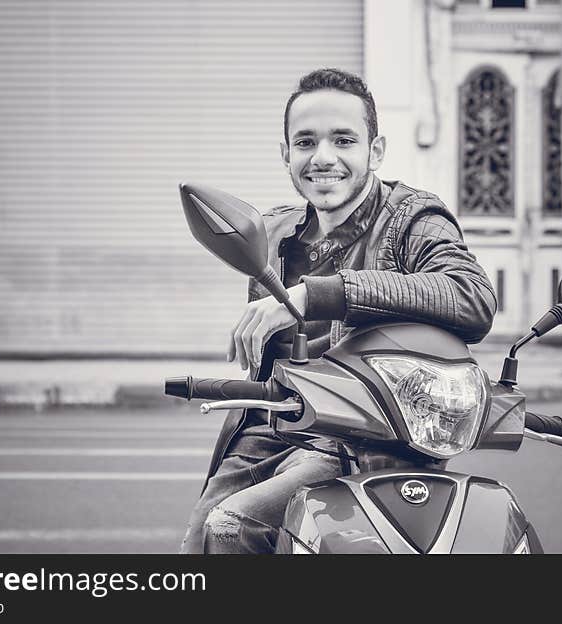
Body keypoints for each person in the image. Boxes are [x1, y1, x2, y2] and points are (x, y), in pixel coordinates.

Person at [180, 68, 497, 554]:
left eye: (343, 140)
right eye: (305, 142)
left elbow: (469, 294)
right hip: (275, 431)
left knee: (233, 523)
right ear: (286, 153)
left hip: (369, 440)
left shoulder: (411, 219)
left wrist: (317, 295)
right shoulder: (274, 233)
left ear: (375, 150)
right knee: (206, 534)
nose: (323, 158)